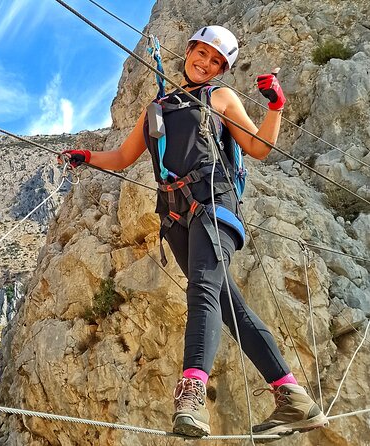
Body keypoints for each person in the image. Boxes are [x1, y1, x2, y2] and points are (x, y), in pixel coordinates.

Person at [61, 26, 327, 439]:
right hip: (177, 220)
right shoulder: (157, 106)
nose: (205, 63)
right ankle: (294, 399)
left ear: (222, 70)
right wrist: (86, 156)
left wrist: (275, 105)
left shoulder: (218, 98)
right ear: (189, 52)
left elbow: (258, 148)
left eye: (216, 61)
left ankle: (191, 393)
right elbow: (124, 155)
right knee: (229, 309)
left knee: (202, 289)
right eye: (201, 54)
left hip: (214, 209)